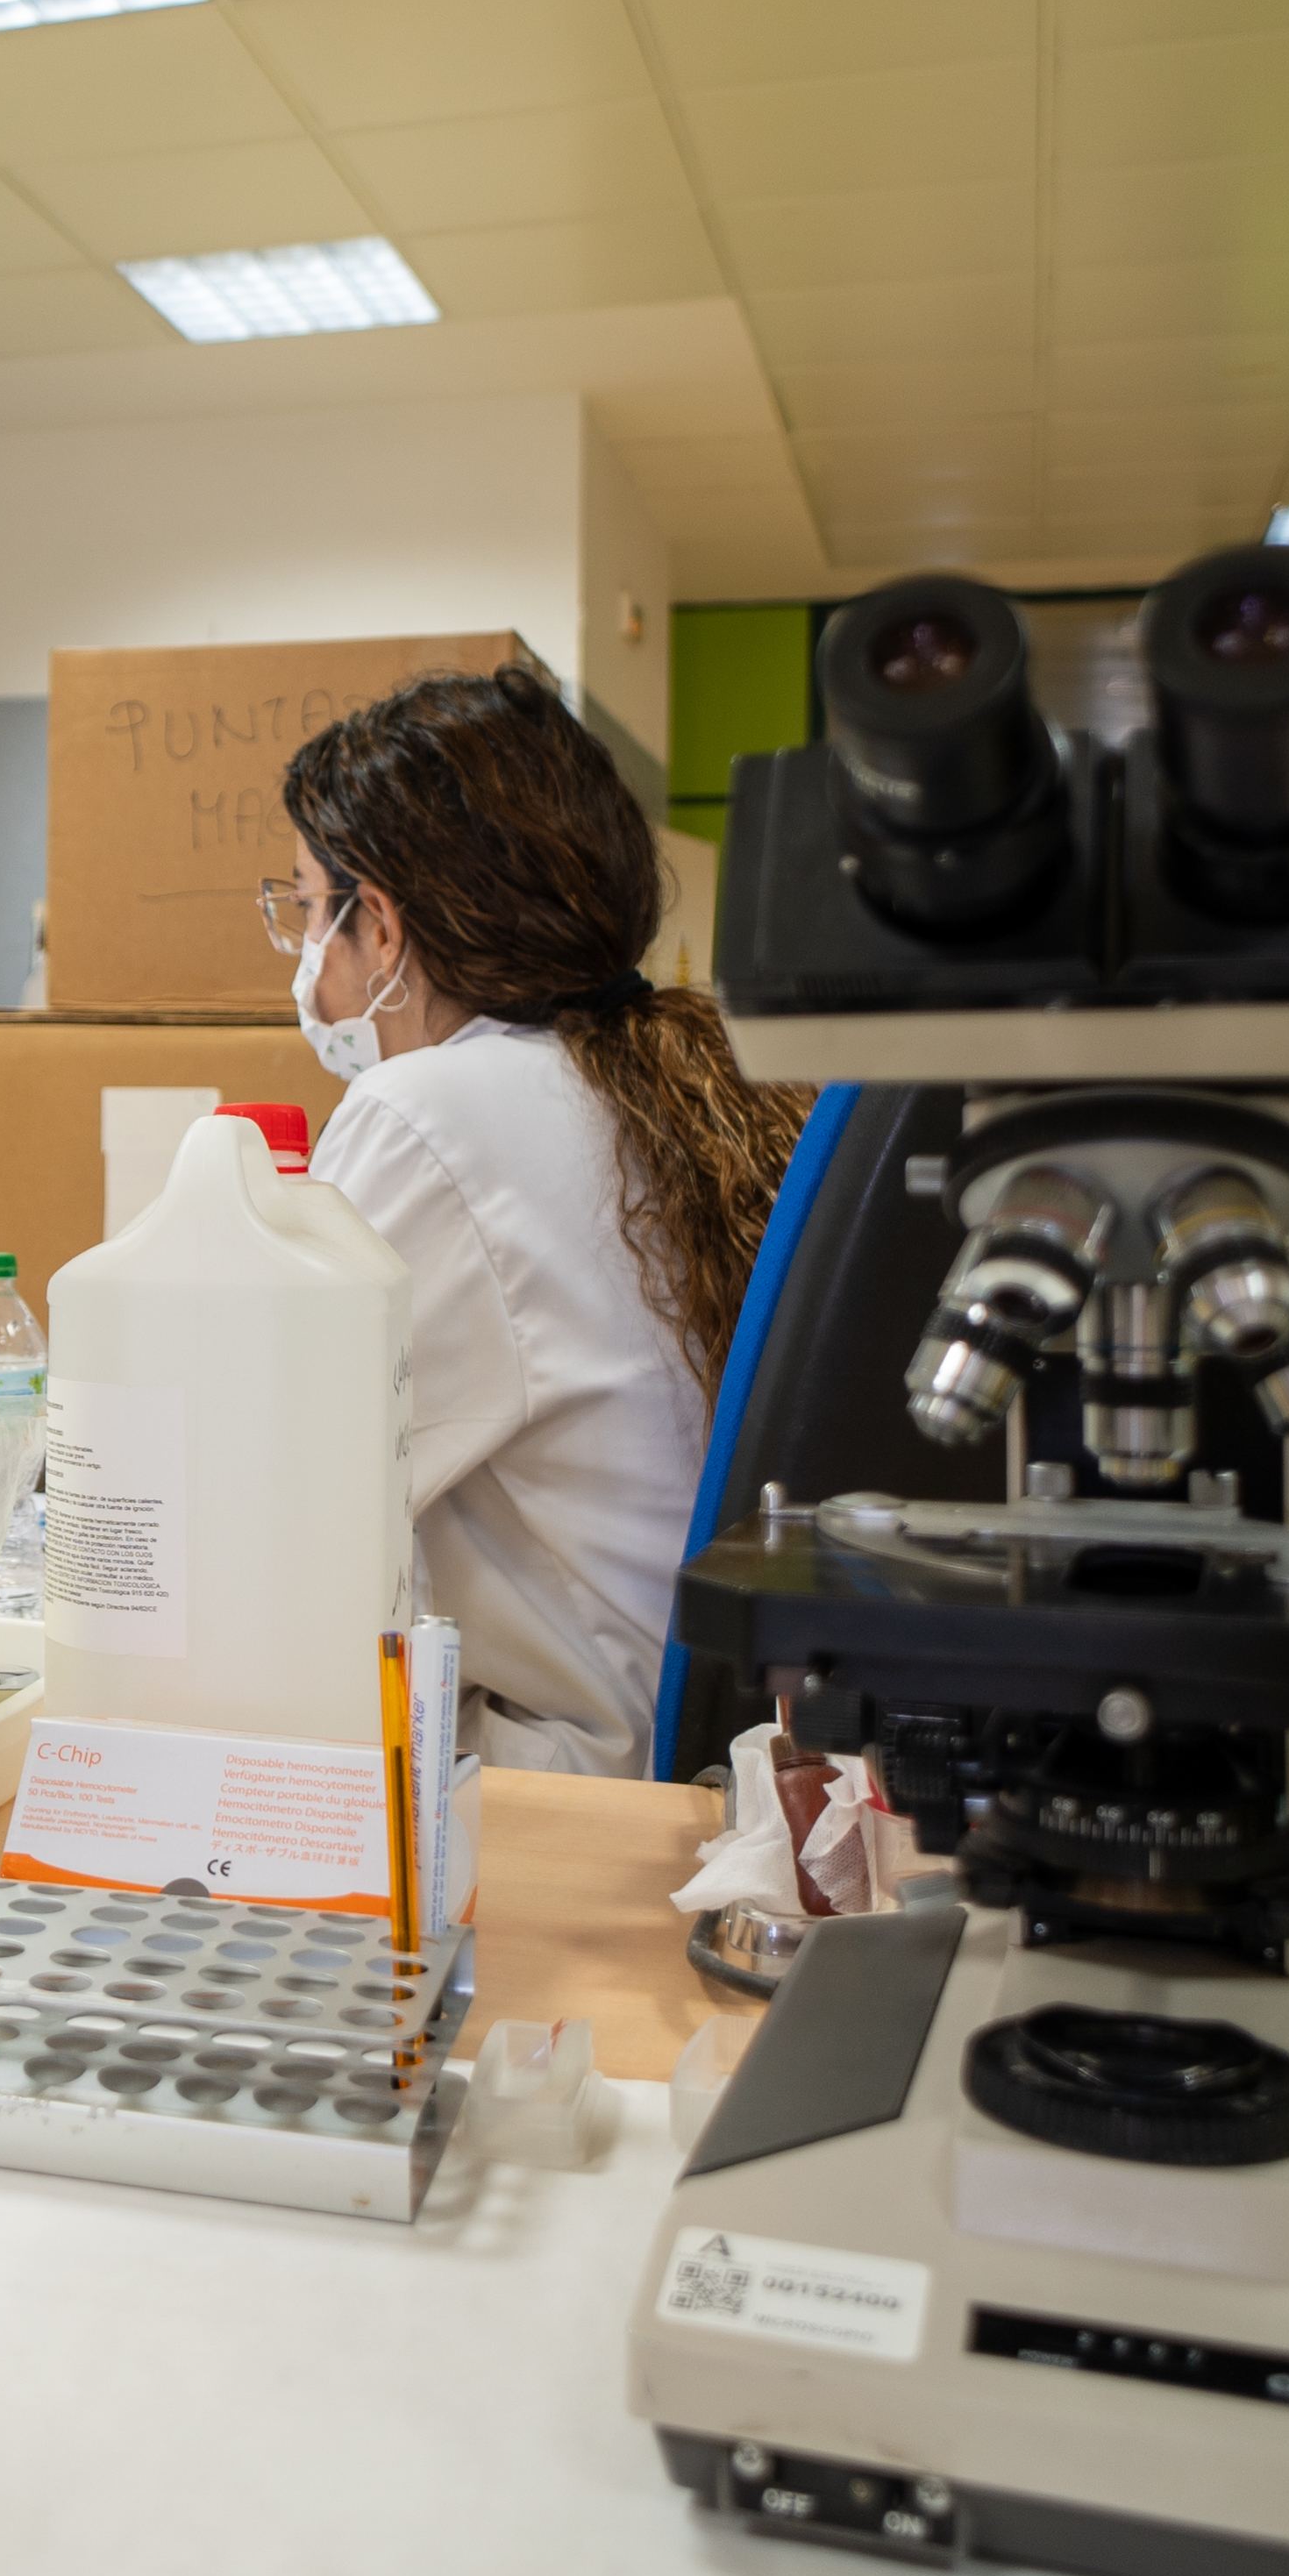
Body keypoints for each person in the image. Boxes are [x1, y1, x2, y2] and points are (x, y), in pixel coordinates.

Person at [267, 668, 807, 1775]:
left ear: (381, 925)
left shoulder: (428, 1114)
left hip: (564, 1787)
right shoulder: (675, 1074)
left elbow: (274, 1492)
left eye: (308, 910)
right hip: (712, 1756)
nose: (307, 965)